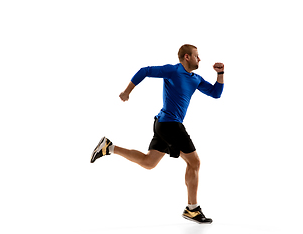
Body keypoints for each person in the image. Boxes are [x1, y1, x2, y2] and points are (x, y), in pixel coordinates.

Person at [90, 44, 224, 224]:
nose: (199, 59)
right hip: (170, 125)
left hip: (162, 124)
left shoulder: (196, 79)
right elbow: (145, 71)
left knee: (148, 162)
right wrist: (127, 92)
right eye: (196, 56)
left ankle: (109, 147)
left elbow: (216, 93)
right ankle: (192, 209)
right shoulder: (173, 71)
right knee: (195, 162)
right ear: (186, 57)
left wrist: (220, 74)